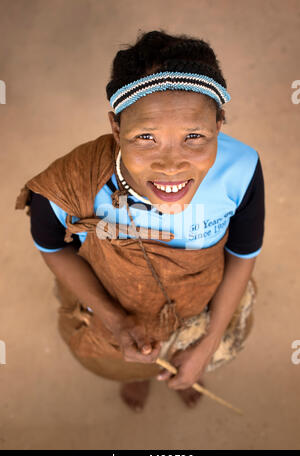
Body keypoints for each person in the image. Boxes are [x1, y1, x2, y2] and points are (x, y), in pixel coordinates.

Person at [15, 29, 265, 413]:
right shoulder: (71, 183)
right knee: (126, 364)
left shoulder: (242, 170)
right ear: (116, 127)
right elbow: (51, 246)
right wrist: (115, 321)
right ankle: (141, 382)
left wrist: (209, 341)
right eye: (146, 137)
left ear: (220, 121)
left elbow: (243, 253)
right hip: (115, 312)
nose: (171, 165)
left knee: (188, 357)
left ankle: (187, 366)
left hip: (198, 310)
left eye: (194, 135)